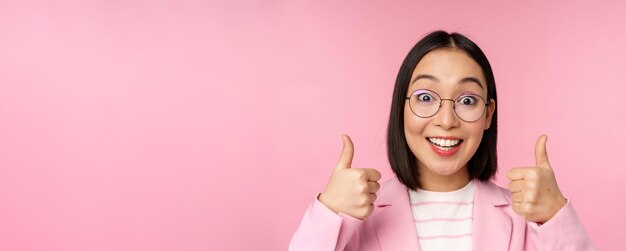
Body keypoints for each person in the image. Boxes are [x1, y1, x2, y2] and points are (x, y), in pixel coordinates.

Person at [289, 30, 594, 251]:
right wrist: (328, 212)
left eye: (467, 100)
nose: (446, 120)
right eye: (425, 97)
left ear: (488, 115)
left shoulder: (529, 219)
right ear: (402, 108)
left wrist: (556, 215)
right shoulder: (353, 217)